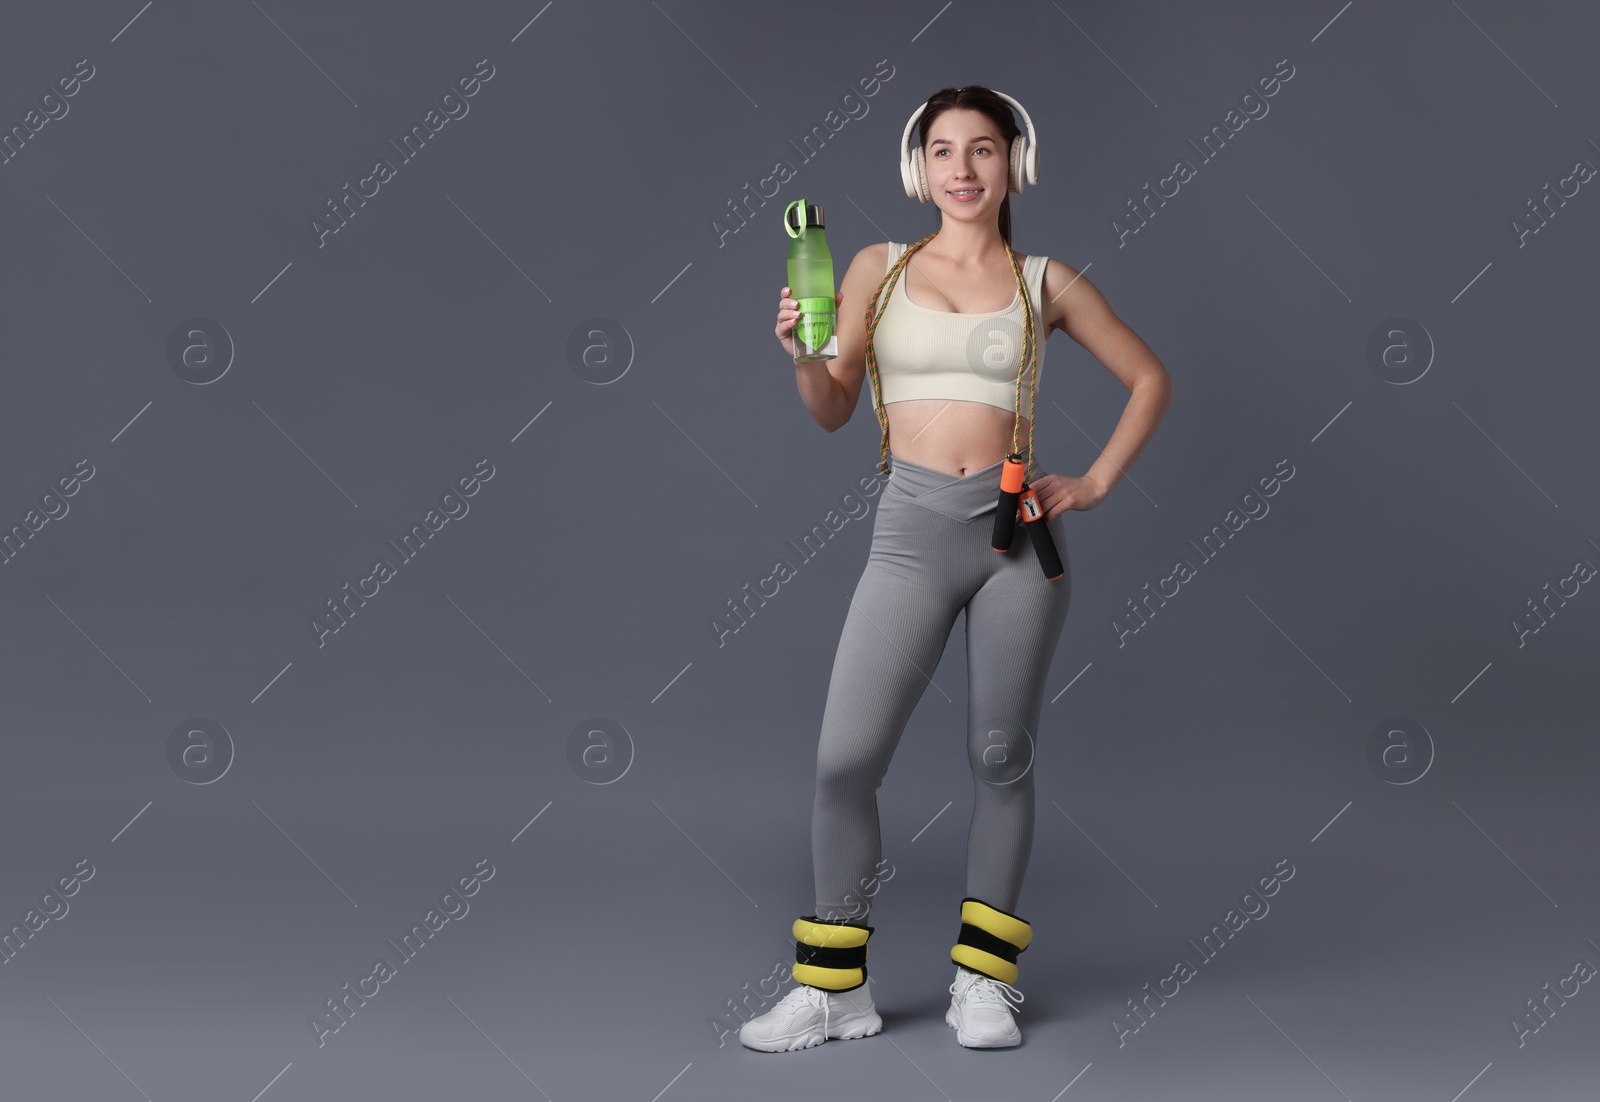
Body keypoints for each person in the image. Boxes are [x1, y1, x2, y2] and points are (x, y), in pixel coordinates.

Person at [740, 86, 1173, 1054]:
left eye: (982, 150)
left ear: (1015, 161)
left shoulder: (1044, 282)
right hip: (909, 535)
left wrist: (1095, 480)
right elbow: (831, 408)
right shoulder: (874, 269)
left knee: (999, 760)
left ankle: (982, 980)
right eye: (942, 151)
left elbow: (1149, 378)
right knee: (844, 762)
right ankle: (832, 990)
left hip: (1014, 541)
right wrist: (800, 357)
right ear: (916, 169)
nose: (962, 170)